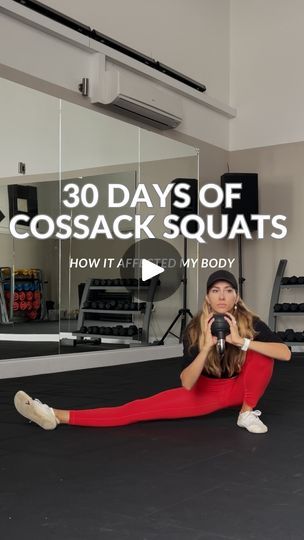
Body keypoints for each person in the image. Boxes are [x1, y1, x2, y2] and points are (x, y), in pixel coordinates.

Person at [14, 270, 291, 434]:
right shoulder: (194, 328)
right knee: (136, 410)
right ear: (207, 296)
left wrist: (241, 341)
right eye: (215, 290)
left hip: (241, 390)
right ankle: (54, 415)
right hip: (205, 392)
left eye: (229, 290)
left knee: (263, 351)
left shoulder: (249, 322)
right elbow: (187, 383)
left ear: (236, 297)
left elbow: (285, 353)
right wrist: (206, 347)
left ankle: (246, 413)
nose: (222, 296)